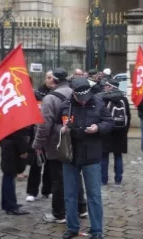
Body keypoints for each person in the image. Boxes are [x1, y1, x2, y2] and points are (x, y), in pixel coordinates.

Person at [58, 76, 114, 239]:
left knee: (94, 195)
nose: (83, 101)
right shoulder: (65, 105)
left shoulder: (98, 102)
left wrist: (98, 127)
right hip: (70, 155)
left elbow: (109, 122)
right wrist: (60, 130)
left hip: (92, 155)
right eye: (79, 98)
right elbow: (54, 124)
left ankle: (97, 230)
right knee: (70, 194)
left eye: (85, 98)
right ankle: (72, 227)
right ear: (73, 93)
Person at [32, 68, 88, 223]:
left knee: (58, 179)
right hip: (76, 139)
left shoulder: (50, 99)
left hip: (58, 143)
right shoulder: (75, 93)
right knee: (76, 175)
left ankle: (59, 213)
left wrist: (37, 144)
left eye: (51, 78)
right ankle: (81, 208)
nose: (48, 81)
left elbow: (44, 126)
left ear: (55, 80)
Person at [26, 72, 54, 202]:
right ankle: (32, 191)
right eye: (48, 77)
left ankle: (47, 190)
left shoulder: (56, 94)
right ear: (45, 79)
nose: (51, 80)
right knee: (35, 164)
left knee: (49, 164)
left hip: (51, 134)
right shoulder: (37, 94)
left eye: (53, 78)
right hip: (37, 133)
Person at [96, 80, 131, 185]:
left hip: (106, 131)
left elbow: (99, 115)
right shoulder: (124, 99)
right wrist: (125, 130)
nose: (104, 87)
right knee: (118, 155)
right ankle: (118, 179)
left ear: (112, 87)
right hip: (120, 132)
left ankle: (103, 179)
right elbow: (128, 116)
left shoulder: (103, 99)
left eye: (107, 86)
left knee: (104, 156)